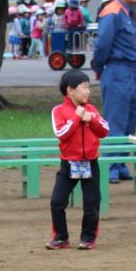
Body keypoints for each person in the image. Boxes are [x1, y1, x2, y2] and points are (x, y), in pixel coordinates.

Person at [48, 70, 110, 250]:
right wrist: (77, 118)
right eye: (84, 88)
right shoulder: (58, 111)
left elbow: (104, 131)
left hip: (90, 163)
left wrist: (91, 120)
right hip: (69, 164)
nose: (88, 92)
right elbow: (61, 134)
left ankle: (88, 238)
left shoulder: (92, 110)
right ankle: (61, 237)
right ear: (70, 90)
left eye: (88, 88)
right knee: (57, 202)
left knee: (92, 203)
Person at [92, 0, 136, 183]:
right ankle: (111, 165)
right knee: (116, 120)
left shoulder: (124, 11)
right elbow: (103, 43)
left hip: (129, 71)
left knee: (130, 121)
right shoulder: (112, 11)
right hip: (116, 70)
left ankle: (121, 163)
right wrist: (98, 65)